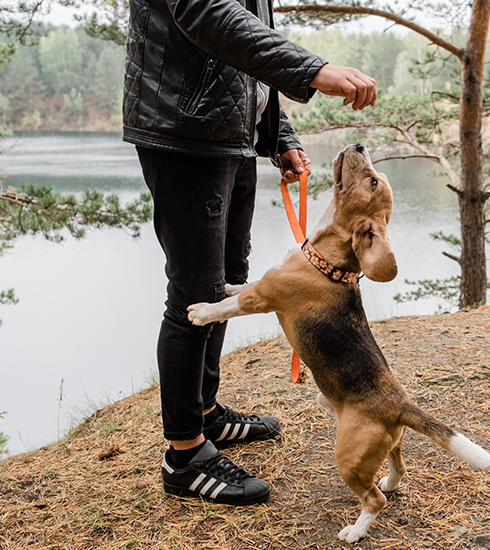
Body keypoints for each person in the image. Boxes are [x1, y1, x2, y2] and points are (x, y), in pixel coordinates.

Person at [122, 0, 377, 505]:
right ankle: (185, 455)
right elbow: (205, 12)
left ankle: (206, 412)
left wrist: (277, 133)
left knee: (226, 280)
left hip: (226, 133)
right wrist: (311, 69)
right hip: (183, 130)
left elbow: (249, 39)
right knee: (194, 295)